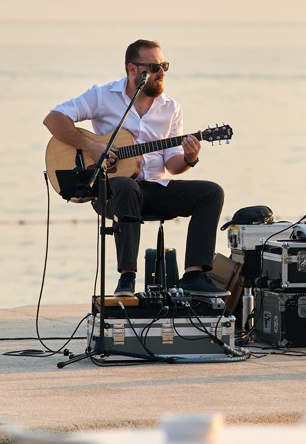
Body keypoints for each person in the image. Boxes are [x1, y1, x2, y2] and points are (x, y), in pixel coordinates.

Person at [44, 39, 229, 298]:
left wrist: (189, 158)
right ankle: (126, 279)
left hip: (154, 190)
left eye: (164, 65)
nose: (161, 72)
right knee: (126, 185)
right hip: (110, 191)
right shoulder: (103, 96)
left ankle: (194, 275)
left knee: (211, 192)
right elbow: (53, 119)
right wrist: (92, 147)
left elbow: (171, 165)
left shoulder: (171, 108)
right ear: (132, 69)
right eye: (154, 67)